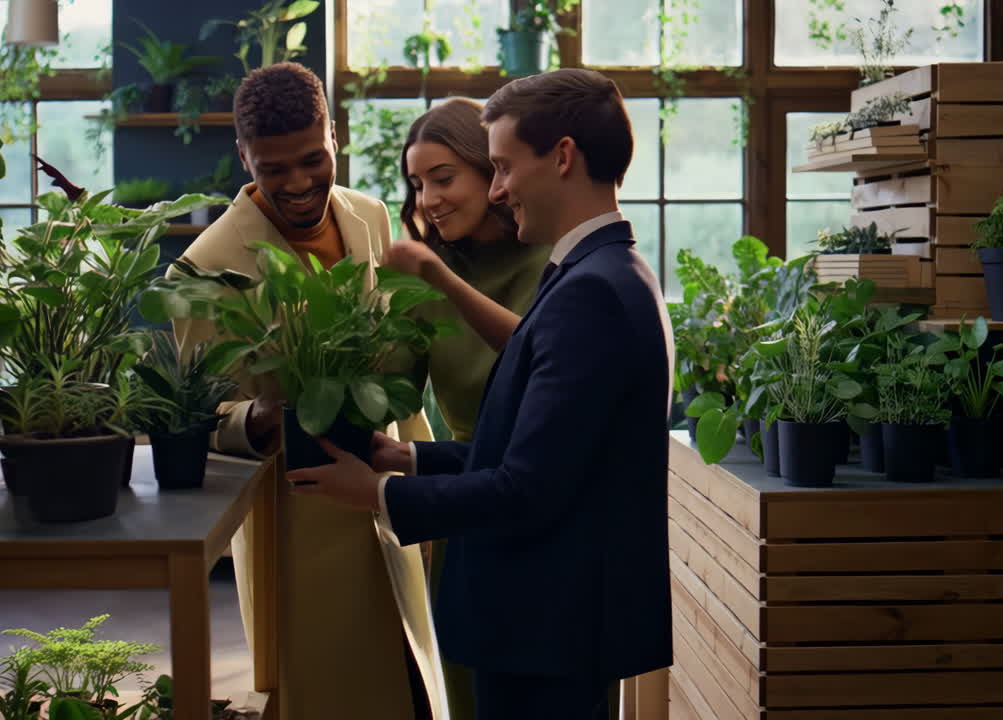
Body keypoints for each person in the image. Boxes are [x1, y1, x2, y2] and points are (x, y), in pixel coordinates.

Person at [287, 68, 675, 720]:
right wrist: (409, 458)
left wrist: (377, 492)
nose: (497, 189)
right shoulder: (597, 273)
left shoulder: (591, 292)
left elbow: (525, 490)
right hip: (540, 621)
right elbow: (548, 463)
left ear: (563, 157)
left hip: (543, 623)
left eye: (503, 167)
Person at [167, 62, 446, 720]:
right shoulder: (203, 267)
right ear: (244, 158)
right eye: (273, 168)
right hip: (296, 528)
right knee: (326, 695)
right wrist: (259, 417)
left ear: (334, 136)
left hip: (388, 492)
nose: (297, 183)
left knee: (413, 685)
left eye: (312, 159)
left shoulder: (370, 216)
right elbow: (199, 414)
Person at [386, 97, 550, 719]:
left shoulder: (552, 258)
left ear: (492, 171)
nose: (428, 199)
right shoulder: (427, 275)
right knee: (469, 699)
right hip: (463, 510)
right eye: (417, 184)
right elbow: (393, 392)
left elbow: (538, 354)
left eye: (443, 178)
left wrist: (439, 279)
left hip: (544, 515)